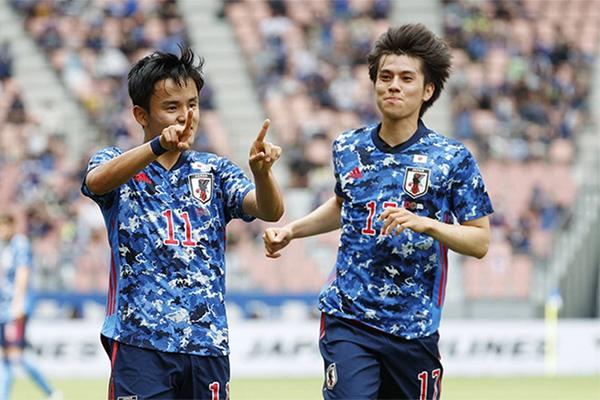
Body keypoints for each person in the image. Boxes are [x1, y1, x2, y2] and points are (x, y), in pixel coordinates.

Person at [263, 23, 493, 400]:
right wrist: (292, 230)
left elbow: (480, 241)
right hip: (349, 317)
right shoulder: (347, 147)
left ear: (428, 90)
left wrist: (426, 225)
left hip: (414, 328)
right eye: (385, 77)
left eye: (406, 78)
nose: (393, 86)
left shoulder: (453, 159)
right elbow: (344, 205)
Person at [81, 47, 284, 399]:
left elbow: (269, 210)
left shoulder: (215, 170)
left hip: (207, 343)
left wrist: (262, 174)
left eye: (193, 104)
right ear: (141, 114)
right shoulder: (118, 163)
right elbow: (95, 182)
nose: (186, 116)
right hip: (139, 342)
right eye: (172, 107)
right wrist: (157, 146)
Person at [0, 211, 60, 400]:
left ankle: (51, 392)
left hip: (15, 309)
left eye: (4, 226)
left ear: (11, 226)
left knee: (16, 355)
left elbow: (23, 273)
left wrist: (17, 304)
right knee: (6, 356)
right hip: (3, 310)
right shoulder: (3, 246)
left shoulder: (19, 244)